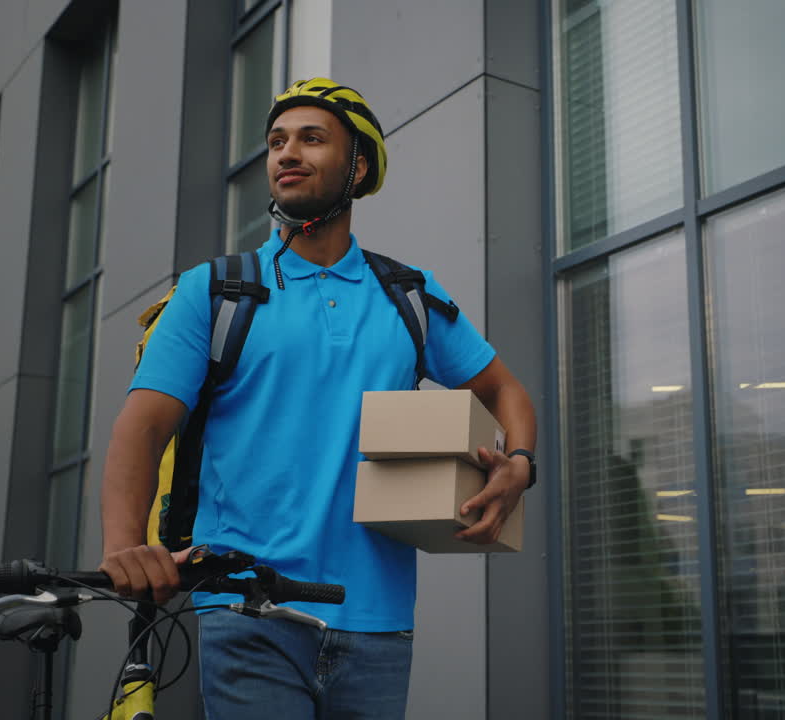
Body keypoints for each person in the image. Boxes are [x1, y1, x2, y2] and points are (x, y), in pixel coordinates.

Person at [98, 78, 536, 719]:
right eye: (277, 141)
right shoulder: (215, 291)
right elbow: (141, 430)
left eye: (311, 138)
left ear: (357, 167)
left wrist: (519, 465)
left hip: (380, 621)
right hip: (248, 609)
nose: (287, 152)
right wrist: (122, 549)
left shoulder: (407, 294)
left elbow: (503, 389)